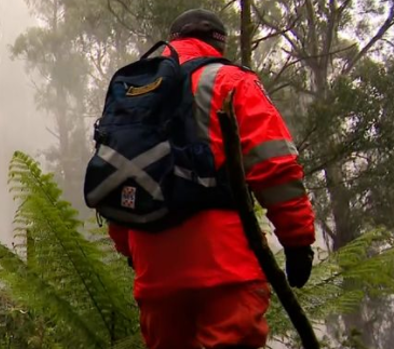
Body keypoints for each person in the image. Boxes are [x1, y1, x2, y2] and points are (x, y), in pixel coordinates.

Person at [106, 9, 316, 349]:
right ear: (219, 43)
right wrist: (298, 241)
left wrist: (129, 248)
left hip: (155, 272)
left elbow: (118, 176)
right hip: (226, 266)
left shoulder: (138, 91)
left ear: (174, 41)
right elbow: (275, 166)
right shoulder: (233, 81)